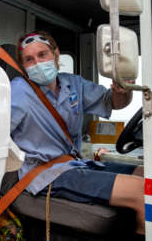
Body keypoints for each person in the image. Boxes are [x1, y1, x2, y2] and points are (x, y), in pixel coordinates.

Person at [10, 30, 145, 236]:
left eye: (42, 55)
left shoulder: (73, 84)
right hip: (45, 174)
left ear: (56, 56)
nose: (37, 63)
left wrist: (123, 91)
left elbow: (114, 103)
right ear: (23, 67)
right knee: (141, 190)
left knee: (146, 175)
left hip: (75, 164)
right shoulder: (19, 91)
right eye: (29, 59)